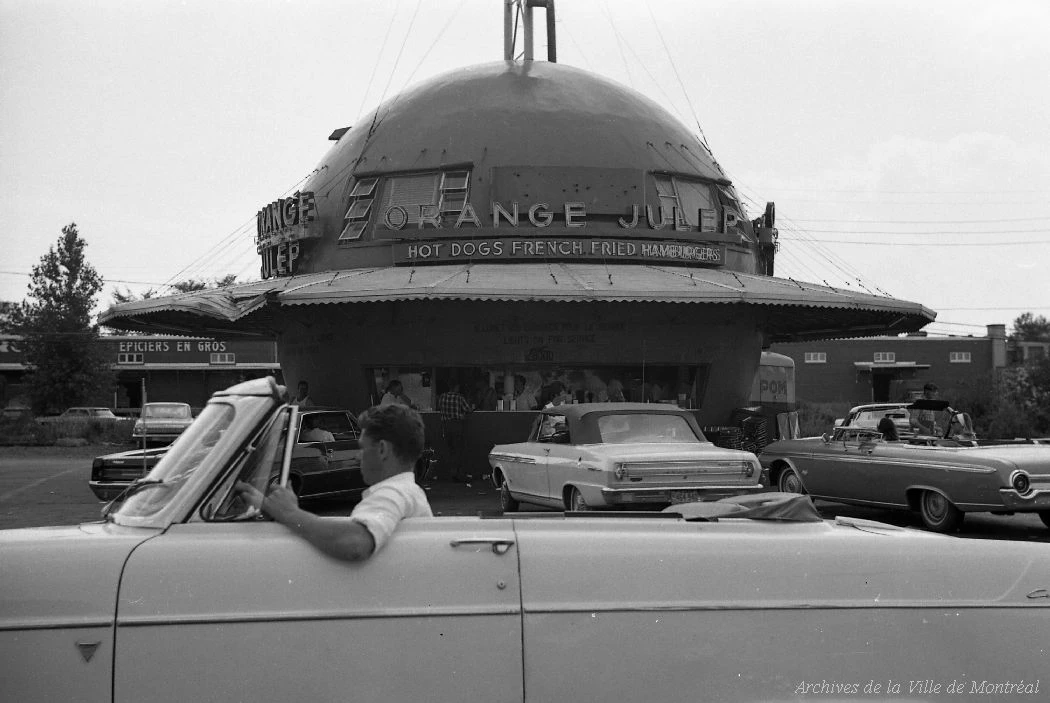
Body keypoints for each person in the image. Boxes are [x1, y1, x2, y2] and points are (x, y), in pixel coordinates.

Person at [237, 404, 433, 562]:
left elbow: (356, 543)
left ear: (382, 450)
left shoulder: (392, 493)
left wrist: (290, 514)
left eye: (363, 448)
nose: (358, 457)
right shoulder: (409, 491)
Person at [436, 381, 473, 481]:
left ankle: (449, 473)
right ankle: (456, 473)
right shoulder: (459, 397)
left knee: (450, 449)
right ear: (456, 387)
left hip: (445, 426)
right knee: (458, 450)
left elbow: (439, 408)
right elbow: (468, 409)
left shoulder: (442, 397)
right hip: (456, 425)